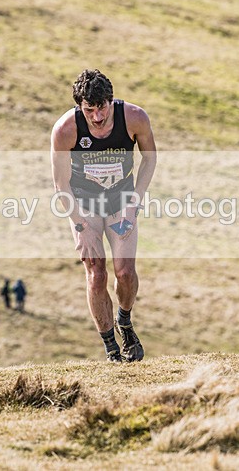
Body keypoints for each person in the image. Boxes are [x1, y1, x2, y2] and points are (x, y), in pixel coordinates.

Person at [50, 69, 157, 363]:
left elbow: (150, 157)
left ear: (111, 101)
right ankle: (111, 347)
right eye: (89, 111)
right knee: (96, 273)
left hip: (121, 199)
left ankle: (125, 320)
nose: (97, 117)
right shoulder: (65, 130)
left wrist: (134, 202)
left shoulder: (134, 118)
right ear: (79, 107)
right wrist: (79, 223)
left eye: (102, 109)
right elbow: (60, 183)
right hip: (84, 203)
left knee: (124, 272)